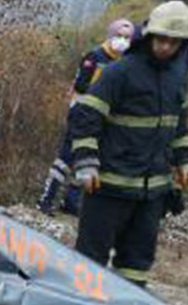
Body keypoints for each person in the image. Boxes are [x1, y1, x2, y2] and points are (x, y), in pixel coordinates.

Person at [70, 0, 188, 286]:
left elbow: (178, 125)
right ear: (149, 35)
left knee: (136, 264)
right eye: (161, 39)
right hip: (108, 187)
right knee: (90, 261)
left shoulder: (178, 78)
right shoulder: (120, 72)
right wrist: (86, 162)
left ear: (183, 44)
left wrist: (185, 159)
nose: (165, 47)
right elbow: (85, 117)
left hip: (152, 193)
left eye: (173, 42)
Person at [36, 18, 134, 216]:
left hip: (102, 118)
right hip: (81, 112)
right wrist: (104, 92)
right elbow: (81, 84)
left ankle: (71, 202)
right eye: (119, 36)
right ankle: (46, 200)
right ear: (110, 35)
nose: (122, 40)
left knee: (87, 159)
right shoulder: (95, 56)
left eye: (126, 37)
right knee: (66, 158)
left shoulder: (124, 61)